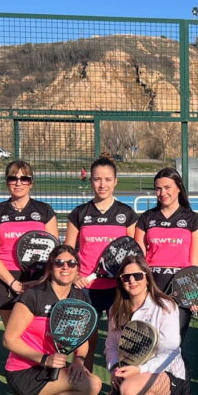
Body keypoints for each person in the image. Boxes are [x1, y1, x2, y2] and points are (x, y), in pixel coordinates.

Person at [1, 246, 103, 395]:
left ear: (77, 268)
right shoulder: (34, 295)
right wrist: (44, 359)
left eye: (71, 263)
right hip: (25, 371)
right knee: (92, 384)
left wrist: (79, 361)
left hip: (55, 370)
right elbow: (9, 339)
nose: (65, 267)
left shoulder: (79, 297)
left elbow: (82, 338)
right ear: (50, 266)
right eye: (59, 263)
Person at [89, 256, 188, 395]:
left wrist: (140, 370)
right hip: (129, 377)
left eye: (137, 275)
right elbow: (111, 346)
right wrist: (114, 368)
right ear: (120, 281)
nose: (132, 280)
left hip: (165, 376)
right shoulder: (116, 309)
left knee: (129, 390)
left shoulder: (165, 306)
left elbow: (171, 351)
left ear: (147, 278)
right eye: (126, 277)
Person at [134, 167, 198, 395]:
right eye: (158, 188)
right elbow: (139, 259)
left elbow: (195, 260)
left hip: (181, 294)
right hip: (150, 291)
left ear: (178, 188)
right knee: (147, 347)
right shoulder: (146, 219)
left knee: (174, 347)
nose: (162, 192)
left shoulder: (193, 220)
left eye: (167, 187)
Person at [65, 156, 138, 371]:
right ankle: (81, 385)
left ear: (115, 181)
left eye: (107, 179)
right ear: (91, 181)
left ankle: (124, 387)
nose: (102, 184)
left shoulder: (127, 214)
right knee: (85, 343)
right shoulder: (79, 214)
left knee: (124, 342)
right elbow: (67, 252)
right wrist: (75, 276)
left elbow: (133, 253)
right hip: (86, 289)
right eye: (97, 179)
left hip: (119, 289)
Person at [0, 161, 59, 325]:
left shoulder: (44, 210)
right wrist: (12, 282)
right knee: (12, 334)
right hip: (5, 279)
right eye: (13, 178)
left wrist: (40, 280)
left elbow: (55, 251)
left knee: (38, 331)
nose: (18, 183)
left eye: (24, 178)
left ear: (31, 183)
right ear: (6, 182)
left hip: (39, 277)